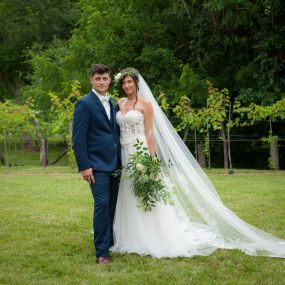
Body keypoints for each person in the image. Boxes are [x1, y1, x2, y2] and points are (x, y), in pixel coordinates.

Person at [111, 67, 285, 258]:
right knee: (128, 190)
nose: (127, 85)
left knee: (148, 191)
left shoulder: (146, 104)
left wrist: (152, 161)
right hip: (125, 153)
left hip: (141, 150)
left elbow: (150, 134)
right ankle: (130, 235)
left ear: (136, 83)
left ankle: (151, 234)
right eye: (124, 83)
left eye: (130, 82)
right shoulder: (120, 103)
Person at [72, 63, 121, 265]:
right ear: (91, 80)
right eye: (97, 78)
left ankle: (109, 242)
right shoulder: (84, 104)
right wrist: (84, 166)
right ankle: (102, 253)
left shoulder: (115, 103)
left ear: (109, 80)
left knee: (112, 206)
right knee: (101, 204)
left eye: (105, 78)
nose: (101, 82)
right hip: (96, 166)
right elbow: (78, 139)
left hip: (116, 164)